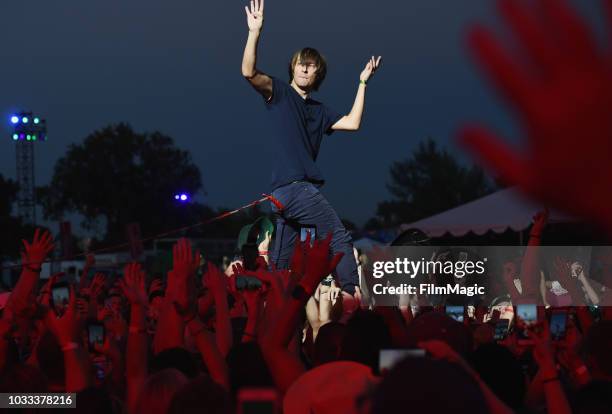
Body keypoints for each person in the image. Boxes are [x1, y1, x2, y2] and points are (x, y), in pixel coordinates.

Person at [240, 0, 381, 302]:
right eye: (301, 63)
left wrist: (362, 83)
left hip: (281, 198)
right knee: (338, 237)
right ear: (292, 67)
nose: (305, 67)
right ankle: (350, 297)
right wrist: (255, 32)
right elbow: (249, 72)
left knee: (281, 260)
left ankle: (271, 304)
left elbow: (353, 123)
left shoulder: (320, 111)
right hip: (295, 189)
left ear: (318, 74)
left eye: (311, 64)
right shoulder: (278, 93)